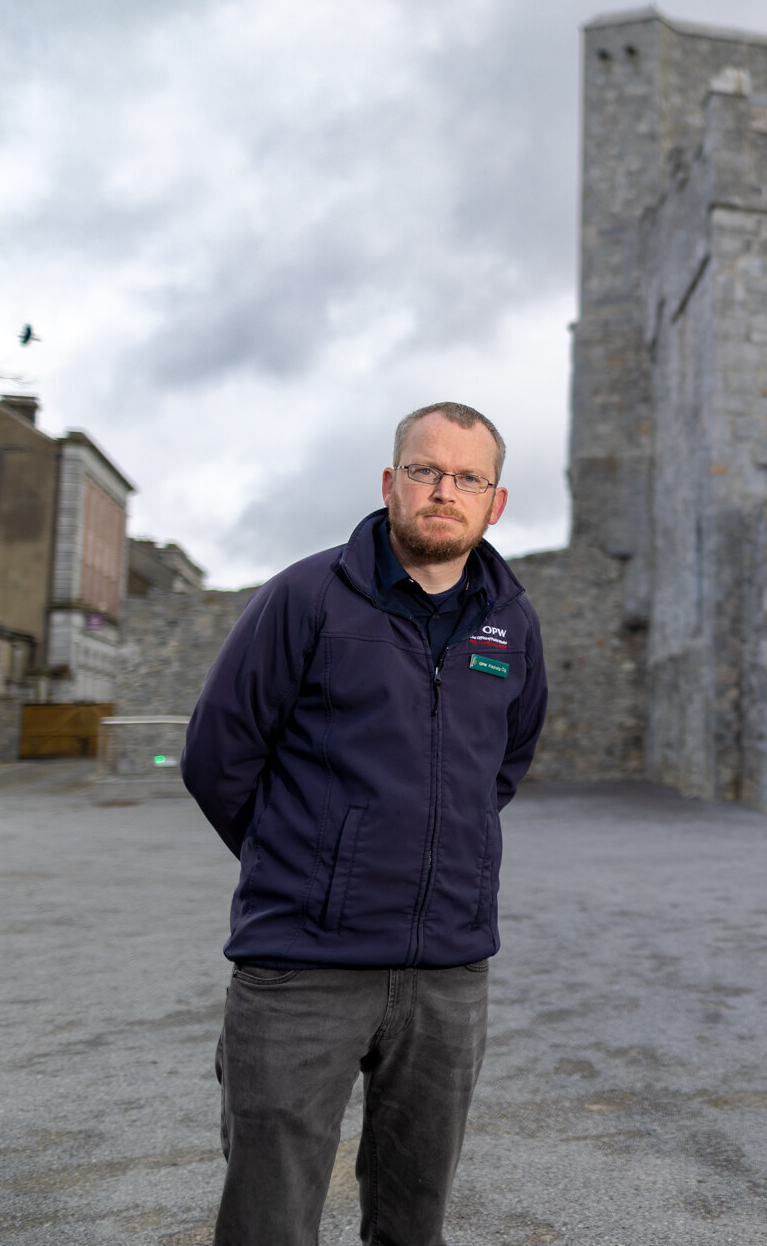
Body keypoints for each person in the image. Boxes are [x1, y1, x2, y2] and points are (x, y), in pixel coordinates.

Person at [183, 401, 548, 1245]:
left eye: (468, 477)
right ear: (391, 482)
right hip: (302, 969)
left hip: (447, 973)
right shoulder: (306, 597)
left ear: (496, 502)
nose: (443, 490)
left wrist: (432, 850)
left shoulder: (511, 622)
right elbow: (216, 755)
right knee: (269, 1219)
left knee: (413, 1222)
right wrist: (314, 862)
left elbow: (504, 762)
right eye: (425, 470)